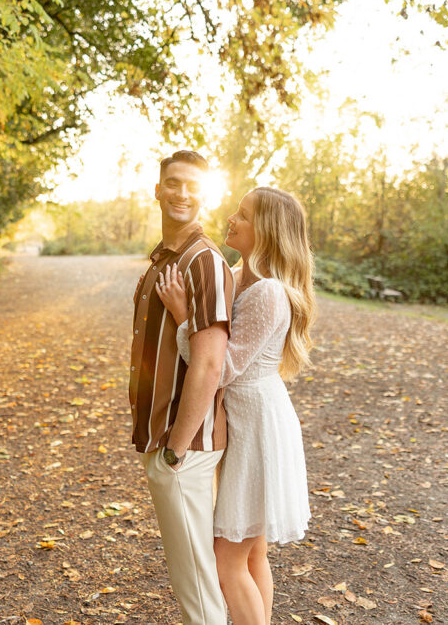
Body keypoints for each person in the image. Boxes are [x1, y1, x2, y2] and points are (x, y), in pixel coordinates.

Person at [155, 187, 315, 625]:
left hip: (258, 425)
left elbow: (222, 368)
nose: (231, 217)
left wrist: (183, 317)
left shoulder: (268, 292)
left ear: (265, 231)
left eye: (242, 215)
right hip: (245, 421)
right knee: (252, 551)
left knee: (227, 560)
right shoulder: (236, 272)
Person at [128, 150, 236, 625]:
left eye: (193, 186)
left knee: (197, 587)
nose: (182, 194)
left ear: (205, 195)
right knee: (189, 578)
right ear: (157, 189)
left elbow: (210, 363)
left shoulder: (204, 261)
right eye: (173, 183)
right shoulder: (162, 259)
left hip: (183, 447)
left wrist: (176, 449)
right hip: (166, 442)